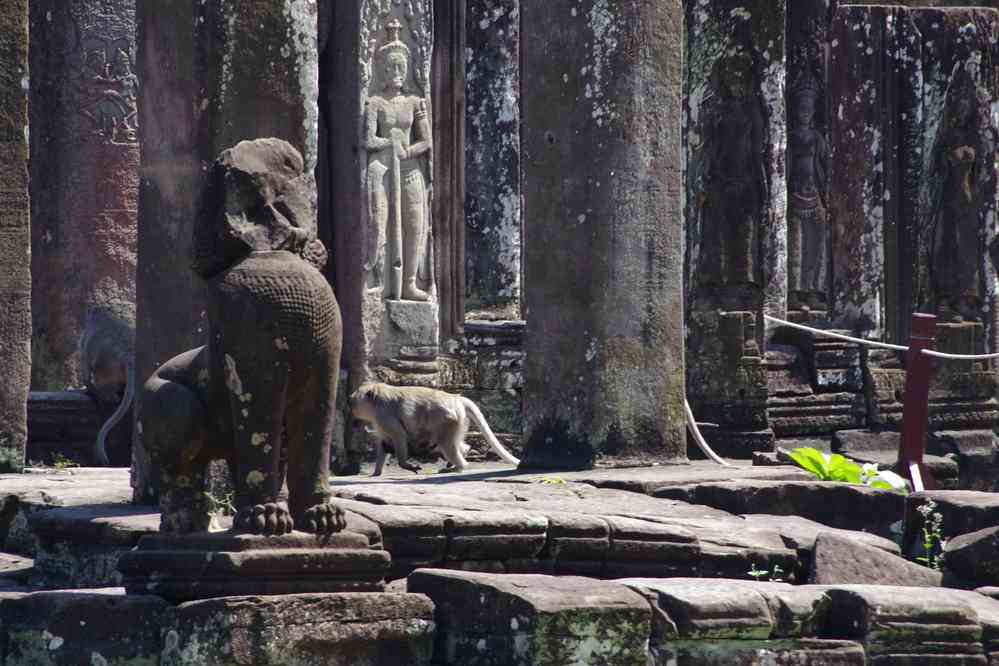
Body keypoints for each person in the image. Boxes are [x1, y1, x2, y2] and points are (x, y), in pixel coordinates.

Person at [363, 19, 433, 302]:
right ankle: (378, 279)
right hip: (382, 168)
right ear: (381, 69)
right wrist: (388, 143)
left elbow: (426, 141)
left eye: (401, 67)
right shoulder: (375, 103)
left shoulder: (415, 102)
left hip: (410, 170)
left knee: (415, 225)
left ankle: (409, 284)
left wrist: (407, 150)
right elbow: (367, 141)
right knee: (379, 223)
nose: (397, 72)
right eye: (391, 67)